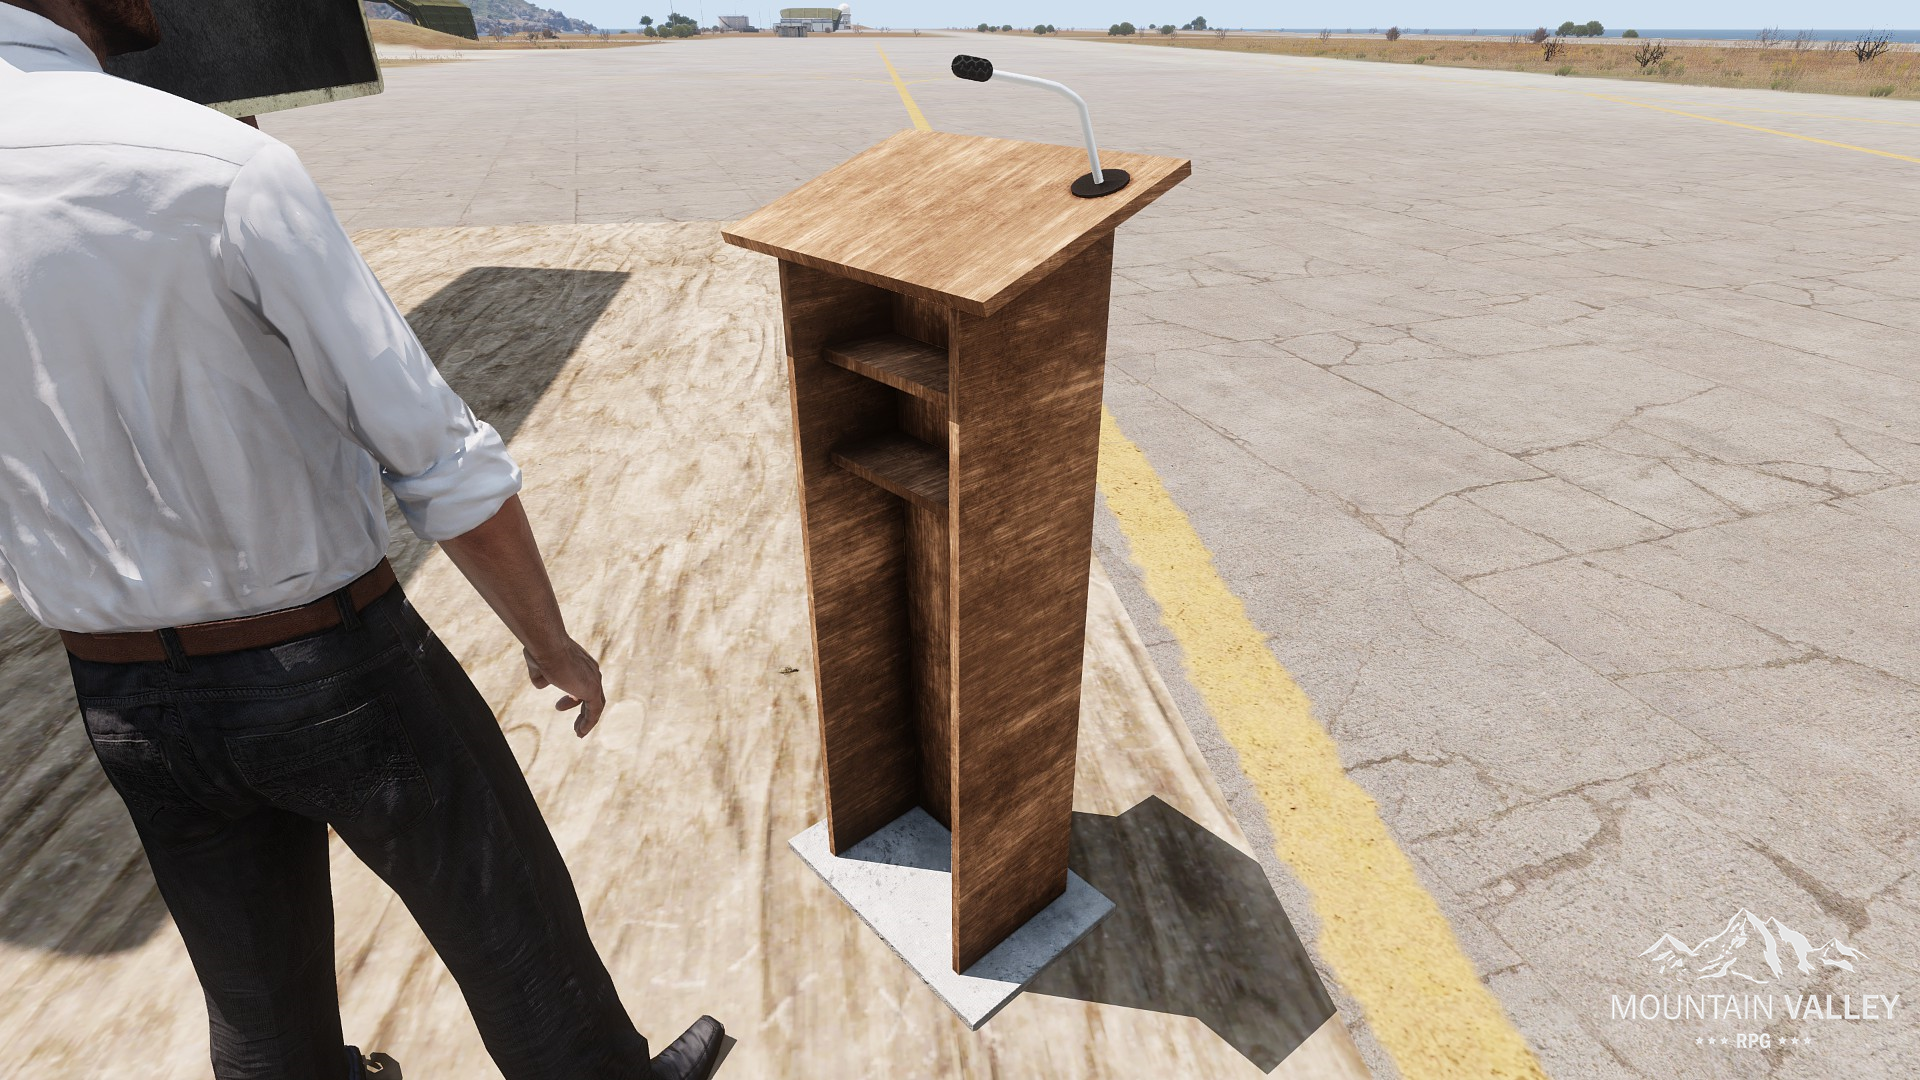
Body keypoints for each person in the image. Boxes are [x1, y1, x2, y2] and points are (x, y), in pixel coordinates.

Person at [0, 3, 725, 1078]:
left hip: (120, 694)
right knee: (519, 946)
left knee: (259, 1007)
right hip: (329, 664)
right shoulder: (216, 165)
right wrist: (548, 639)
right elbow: (431, 446)